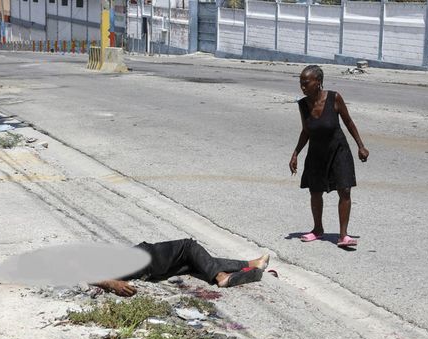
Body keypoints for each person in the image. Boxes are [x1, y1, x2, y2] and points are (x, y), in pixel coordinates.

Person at [289, 65, 369, 248]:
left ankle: (343, 235)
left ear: (318, 82)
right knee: (315, 191)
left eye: (306, 83)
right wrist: (295, 154)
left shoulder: (334, 98)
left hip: (338, 150)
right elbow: (306, 131)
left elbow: (348, 122)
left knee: (345, 190)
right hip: (316, 152)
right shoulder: (303, 104)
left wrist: (361, 146)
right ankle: (317, 229)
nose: (302, 87)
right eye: (300, 83)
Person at [94, 238, 270, 297]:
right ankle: (221, 277)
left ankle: (251, 264)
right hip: (146, 258)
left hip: (149, 271)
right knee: (188, 246)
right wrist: (113, 284)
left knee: (197, 261)